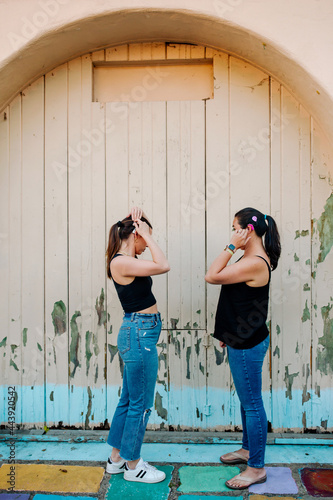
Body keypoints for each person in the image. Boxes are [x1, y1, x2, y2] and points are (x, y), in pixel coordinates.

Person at [205, 207, 281, 490]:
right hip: (241, 339)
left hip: (248, 345)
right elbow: (240, 300)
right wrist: (228, 331)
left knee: (252, 405)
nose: (232, 233)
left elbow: (212, 276)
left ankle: (256, 467)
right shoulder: (250, 257)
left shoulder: (255, 261)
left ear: (247, 231)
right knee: (246, 401)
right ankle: (248, 450)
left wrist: (230, 246)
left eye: (235, 228)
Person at [105, 207, 170, 484]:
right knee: (140, 404)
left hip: (141, 333)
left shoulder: (126, 260)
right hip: (138, 334)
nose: (146, 246)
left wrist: (141, 228)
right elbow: (163, 264)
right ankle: (134, 466)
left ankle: (116, 459)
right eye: (144, 239)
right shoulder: (120, 262)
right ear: (135, 235)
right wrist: (145, 233)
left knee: (129, 400)